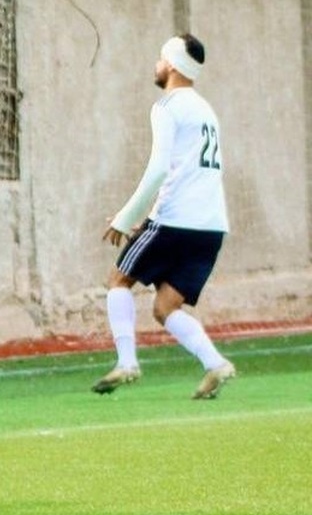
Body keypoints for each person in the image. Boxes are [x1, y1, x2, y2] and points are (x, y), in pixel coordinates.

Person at [93, 33, 235, 400]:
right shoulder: (206, 111)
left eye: (160, 58)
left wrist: (125, 217)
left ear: (171, 65)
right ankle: (216, 364)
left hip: (176, 220)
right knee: (165, 306)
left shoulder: (167, 106)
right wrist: (149, 222)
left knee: (118, 280)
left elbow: (159, 170)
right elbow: (186, 173)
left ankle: (127, 363)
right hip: (211, 227)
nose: (156, 65)